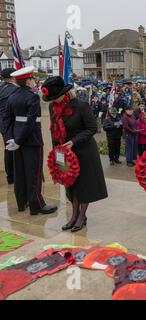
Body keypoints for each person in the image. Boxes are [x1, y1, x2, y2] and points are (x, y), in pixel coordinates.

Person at [43, 76, 108, 232]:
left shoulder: (81, 106)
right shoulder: (53, 107)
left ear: (65, 93)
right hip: (64, 153)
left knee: (83, 186)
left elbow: (92, 128)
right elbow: (53, 130)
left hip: (83, 151)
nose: (54, 101)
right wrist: (55, 152)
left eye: (55, 97)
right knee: (70, 187)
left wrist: (74, 141)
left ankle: (81, 217)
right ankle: (74, 215)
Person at [3, 67, 57, 215]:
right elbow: (31, 122)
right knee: (34, 173)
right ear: (27, 81)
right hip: (31, 140)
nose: (34, 82)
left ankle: (22, 203)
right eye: (32, 79)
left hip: (15, 140)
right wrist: (19, 140)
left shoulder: (12, 96)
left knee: (20, 173)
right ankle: (36, 205)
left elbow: (6, 120)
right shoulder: (32, 97)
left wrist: (10, 140)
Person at [0, 68, 19, 185]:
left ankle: (10, 176)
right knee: (13, 148)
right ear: (13, 77)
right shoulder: (15, 89)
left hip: (2, 123)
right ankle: (13, 176)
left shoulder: (1, 88)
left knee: (8, 148)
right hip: (12, 123)